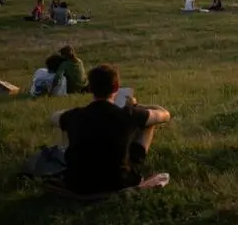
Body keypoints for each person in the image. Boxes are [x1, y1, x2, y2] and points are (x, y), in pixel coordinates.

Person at [50, 64, 172, 195]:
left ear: (90, 88)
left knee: (66, 127)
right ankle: (134, 163)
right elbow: (164, 114)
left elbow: (54, 117)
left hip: (77, 184)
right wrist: (136, 106)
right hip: (119, 182)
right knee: (149, 123)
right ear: (116, 88)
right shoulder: (129, 114)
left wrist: (77, 113)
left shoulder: (76, 115)